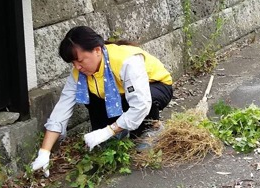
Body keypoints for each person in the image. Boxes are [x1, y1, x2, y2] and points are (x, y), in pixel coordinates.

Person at [31, 26, 174, 177]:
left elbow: (141, 104)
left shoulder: (127, 62)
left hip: (155, 88)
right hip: (122, 97)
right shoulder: (79, 74)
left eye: (80, 60)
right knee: (88, 95)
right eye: (73, 63)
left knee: (143, 107)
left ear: (97, 50)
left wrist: (108, 131)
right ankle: (119, 130)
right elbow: (62, 108)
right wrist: (44, 152)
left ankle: (149, 128)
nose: (77, 67)